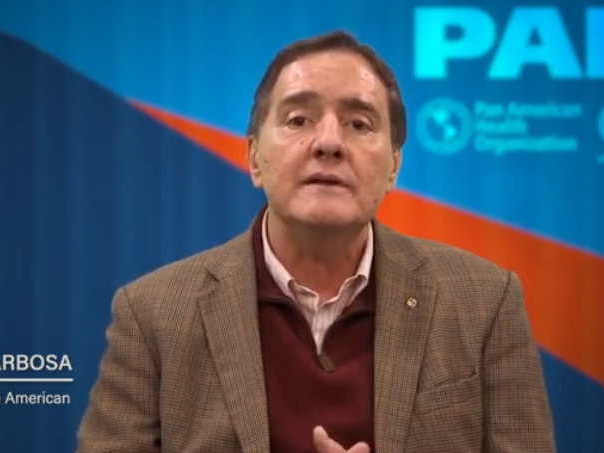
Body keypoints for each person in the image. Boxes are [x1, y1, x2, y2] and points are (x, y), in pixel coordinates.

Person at [76, 30, 556, 453]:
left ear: (394, 166)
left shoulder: (484, 303)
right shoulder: (153, 315)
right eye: (298, 119)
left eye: (358, 123)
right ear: (254, 158)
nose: (329, 142)